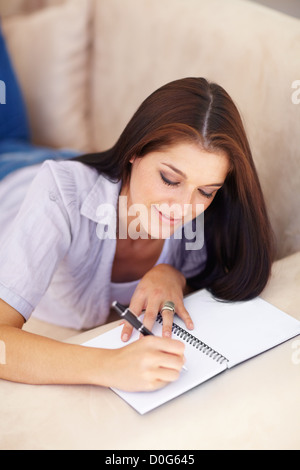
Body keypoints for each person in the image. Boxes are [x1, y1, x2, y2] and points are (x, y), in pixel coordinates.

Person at [0, 77, 274, 392]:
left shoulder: (207, 216)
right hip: (11, 176)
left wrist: (170, 273)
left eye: (205, 190)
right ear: (135, 151)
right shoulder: (60, 192)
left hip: (72, 160)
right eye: (170, 179)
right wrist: (107, 365)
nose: (183, 208)